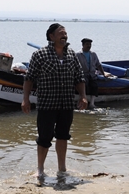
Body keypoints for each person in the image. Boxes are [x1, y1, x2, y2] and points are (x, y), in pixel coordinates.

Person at [22, 23, 88, 177]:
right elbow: (29, 78)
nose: (64, 35)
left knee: (63, 136)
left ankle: (62, 168)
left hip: (66, 104)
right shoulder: (40, 55)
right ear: (51, 36)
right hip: (47, 104)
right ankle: (40, 169)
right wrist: (25, 99)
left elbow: (79, 78)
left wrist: (83, 96)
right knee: (44, 138)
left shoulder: (72, 55)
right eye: (61, 33)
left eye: (65, 33)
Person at [75, 38, 106, 109]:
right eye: (87, 44)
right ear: (83, 45)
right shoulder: (78, 54)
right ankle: (80, 102)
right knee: (82, 87)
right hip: (82, 74)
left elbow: (98, 64)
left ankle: (92, 103)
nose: (89, 46)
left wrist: (103, 73)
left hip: (92, 74)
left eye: (90, 44)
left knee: (94, 86)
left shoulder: (93, 54)